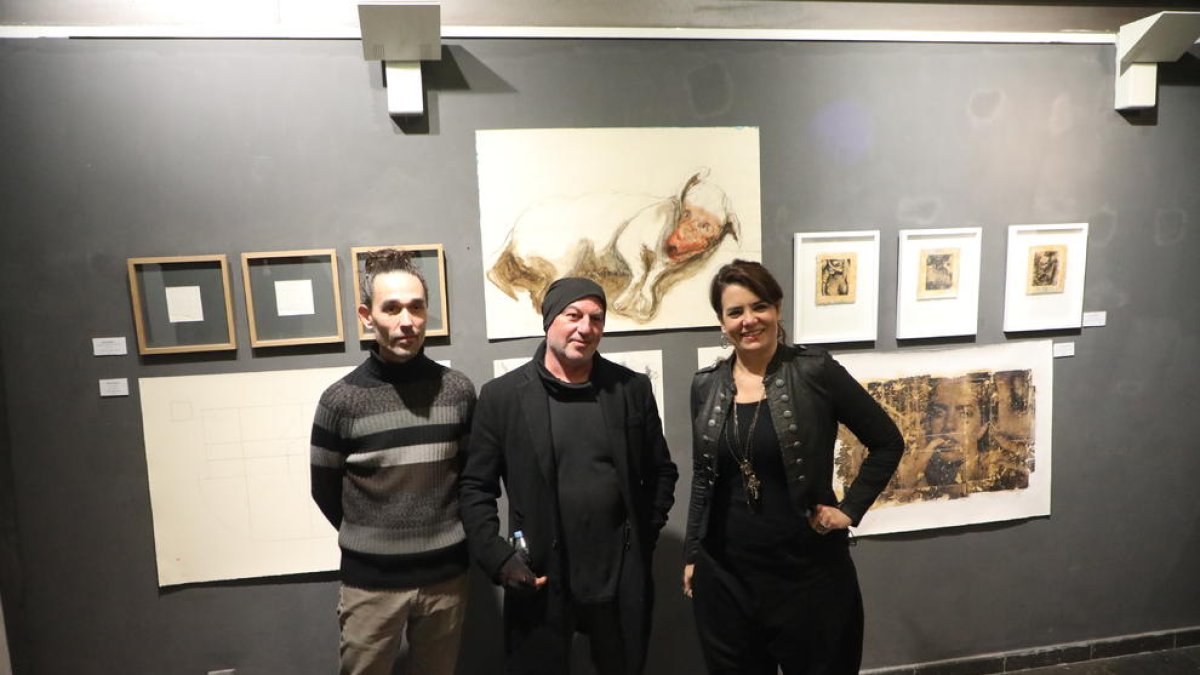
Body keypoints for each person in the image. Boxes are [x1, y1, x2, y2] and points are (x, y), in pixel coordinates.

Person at [682, 259, 904, 674]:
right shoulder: (705, 385)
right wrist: (693, 554)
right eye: (735, 311)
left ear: (777, 308)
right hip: (726, 580)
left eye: (759, 306)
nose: (749, 320)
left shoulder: (814, 371)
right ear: (721, 322)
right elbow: (703, 478)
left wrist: (850, 509)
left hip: (808, 576)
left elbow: (887, 442)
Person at [460, 277, 679, 675]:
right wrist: (500, 558)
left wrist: (643, 536)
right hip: (541, 578)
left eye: (596, 319)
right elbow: (475, 488)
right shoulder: (503, 397)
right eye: (573, 315)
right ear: (549, 320)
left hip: (619, 581)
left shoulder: (630, 389)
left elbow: (662, 471)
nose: (586, 328)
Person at [310, 249, 476, 675]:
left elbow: (471, 479)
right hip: (371, 585)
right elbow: (324, 490)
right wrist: (375, 539)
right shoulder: (340, 401)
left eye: (417, 307)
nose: (407, 321)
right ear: (367, 316)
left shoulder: (457, 391)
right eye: (392, 308)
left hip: (446, 581)